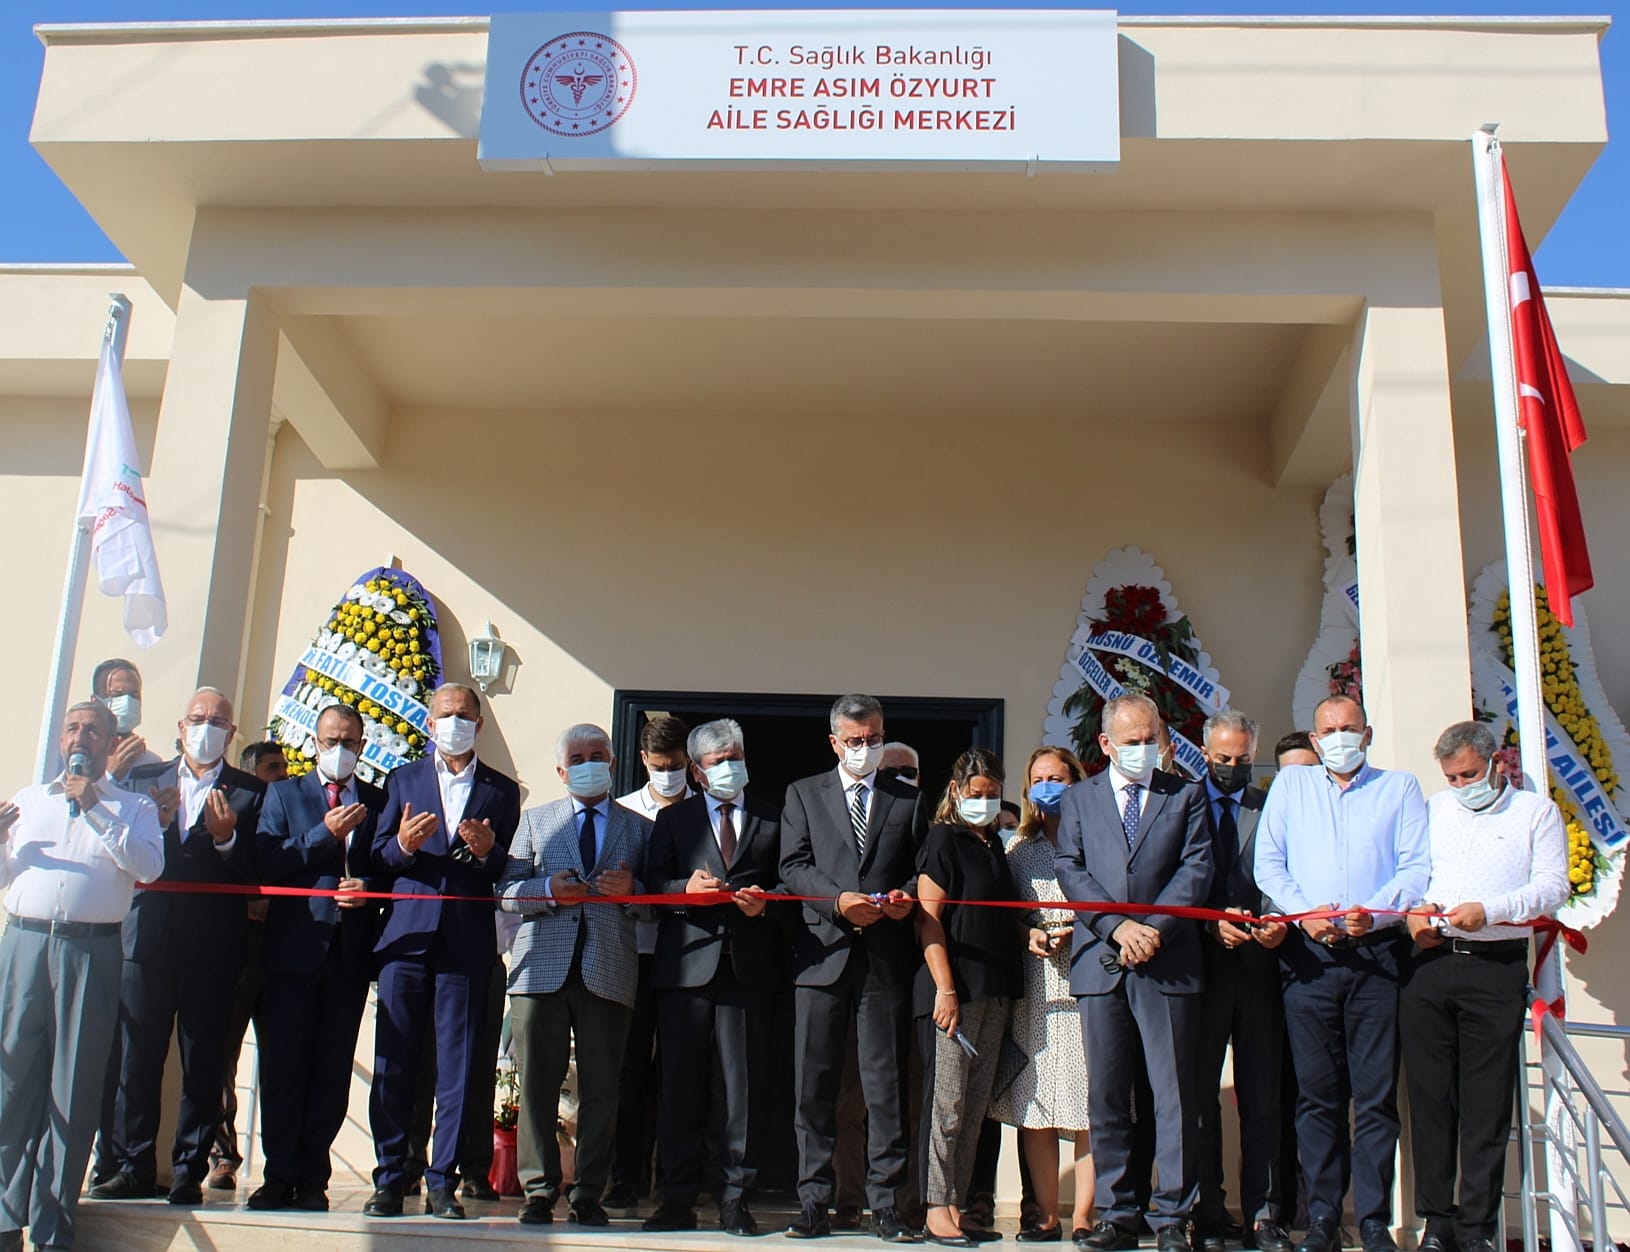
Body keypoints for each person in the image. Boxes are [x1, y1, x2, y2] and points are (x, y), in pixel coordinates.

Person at [1253, 695, 1429, 1252]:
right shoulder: (1291, 787)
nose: (1339, 737)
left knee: (1375, 1098)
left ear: (1368, 734)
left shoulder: (1399, 789)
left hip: (1377, 956)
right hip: (1310, 961)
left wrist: (1372, 913)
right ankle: (1325, 1215)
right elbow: (1269, 863)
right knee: (1317, 1095)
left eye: (1349, 728)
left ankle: (1373, 1217)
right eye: (1328, 729)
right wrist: (1306, 917)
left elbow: (1415, 866)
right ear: (1314, 736)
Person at [91, 687, 265, 1206]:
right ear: (181, 725)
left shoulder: (252, 792)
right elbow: (118, 848)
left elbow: (258, 870)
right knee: (136, 1059)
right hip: (145, 940)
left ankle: (188, 1168)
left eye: (218, 721)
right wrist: (160, 824)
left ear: (232, 734)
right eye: (198, 718)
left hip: (212, 946)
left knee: (203, 1061)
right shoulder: (143, 781)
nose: (206, 727)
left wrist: (228, 838)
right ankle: (132, 1164)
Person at [0, 701, 164, 1252]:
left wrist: (95, 806)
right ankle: (3, 1218)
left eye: (92, 730)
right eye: (73, 728)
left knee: (72, 1090)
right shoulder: (28, 802)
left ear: (110, 742)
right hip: (23, 944)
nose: (80, 737)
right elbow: (7, 877)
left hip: (91, 952)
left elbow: (148, 867)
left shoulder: (133, 807)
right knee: (9, 1086)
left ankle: (51, 1227)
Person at [1054, 692, 1212, 1251]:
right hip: (1102, 962)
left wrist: (1153, 930)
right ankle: (1118, 1214)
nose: (1145, 750)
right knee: (1108, 1096)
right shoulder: (1078, 799)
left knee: (1173, 1095)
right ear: (1105, 744)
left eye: (1153, 740)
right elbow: (1070, 870)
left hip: (1167, 964)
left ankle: (1173, 1216)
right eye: (1133, 742)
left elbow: (1196, 870)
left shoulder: (1185, 796)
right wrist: (1119, 928)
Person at [1403, 721, 1568, 1252]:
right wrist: (1417, 911)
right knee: (1430, 1098)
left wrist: (1491, 910)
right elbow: (1412, 873)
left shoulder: (1534, 813)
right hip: (1430, 962)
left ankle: (1476, 1227)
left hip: (1495, 965)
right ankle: (1436, 1220)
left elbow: (1552, 887)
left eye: (1469, 774)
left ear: (1497, 763)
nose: (1460, 785)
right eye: (1451, 777)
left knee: (1486, 1102)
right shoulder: (1433, 809)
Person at [365, 683, 520, 1220]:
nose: (453, 721)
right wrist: (404, 844)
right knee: (396, 1063)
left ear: (478, 723)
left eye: (463, 714)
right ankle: (389, 1177)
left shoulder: (501, 790)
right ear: (429, 723)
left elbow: (507, 869)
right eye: (444, 714)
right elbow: (380, 856)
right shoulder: (404, 779)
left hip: (466, 944)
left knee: (459, 1068)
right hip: (407, 942)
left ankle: (442, 1183)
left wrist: (488, 852)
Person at [780, 693, 928, 1242]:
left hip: (884, 959)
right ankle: (814, 1200)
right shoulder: (804, 793)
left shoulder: (906, 798)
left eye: (874, 739)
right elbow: (793, 865)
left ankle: (887, 1204)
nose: (866, 749)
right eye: (855, 740)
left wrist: (903, 899)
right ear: (834, 742)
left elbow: (921, 871)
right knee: (813, 1085)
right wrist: (837, 900)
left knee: (884, 1085)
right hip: (822, 955)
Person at [499, 723, 653, 1228]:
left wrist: (633, 889)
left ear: (612, 762)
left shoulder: (639, 827)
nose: (589, 763)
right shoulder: (536, 821)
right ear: (562, 771)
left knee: (602, 1088)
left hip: (607, 968)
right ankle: (539, 1190)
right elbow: (506, 891)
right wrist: (546, 890)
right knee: (537, 1084)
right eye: (578, 757)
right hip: (540, 967)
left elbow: (656, 904)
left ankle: (589, 1191)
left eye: (598, 754)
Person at [643, 718, 784, 1237]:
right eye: (717, 761)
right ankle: (676, 1198)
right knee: (680, 1087)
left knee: (741, 1091)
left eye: (735, 757)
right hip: (686, 968)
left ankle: (734, 1199)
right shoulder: (673, 821)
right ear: (698, 772)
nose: (729, 767)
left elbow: (791, 881)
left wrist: (764, 906)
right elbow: (652, 885)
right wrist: (685, 888)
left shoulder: (773, 816)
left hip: (749, 970)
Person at [250, 704, 386, 1212]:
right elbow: (270, 860)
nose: (340, 750)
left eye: (349, 742)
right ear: (314, 741)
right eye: (332, 740)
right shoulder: (285, 794)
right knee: (284, 1068)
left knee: (331, 1073)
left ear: (363, 747)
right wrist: (321, 835)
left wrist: (367, 888)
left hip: (348, 956)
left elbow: (387, 868)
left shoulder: (377, 799)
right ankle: (277, 1173)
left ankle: (313, 1176)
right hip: (293, 951)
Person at [914, 748, 1024, 1247]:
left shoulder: (995, 844)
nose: (983, 802)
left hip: (996, 993)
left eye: (992, 794)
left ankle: (957, 1202)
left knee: (975, 1107)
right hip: (954, 993)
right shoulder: (943, 840)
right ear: (956, 792)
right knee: (948, 1105)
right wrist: (946, 989)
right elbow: (928, 918)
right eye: (975, 794)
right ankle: (936, 1206)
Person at [1191, 712, 1292, 1252]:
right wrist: (1211, 922)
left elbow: (1286, 871)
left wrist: (1276, 918)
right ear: (1205, 753)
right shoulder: (1182, 805)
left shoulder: (1270, 806)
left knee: (1262, 1098)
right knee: (1200, 1098)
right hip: (1202, 971)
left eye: (1243, 759)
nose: (1233, 768)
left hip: (1259, 970)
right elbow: (1171, 879)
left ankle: (1265, 1214)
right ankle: (1207, 1212)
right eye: (1224, 759)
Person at [990, 745, 1093, 1243]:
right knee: (1039, 1106)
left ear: (1078, 781)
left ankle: (1087, 1217)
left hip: (1090, 983)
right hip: (1036, 988)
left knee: (1093, 1106)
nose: (1048, 786)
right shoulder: (1018, 848)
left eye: (1059, 777)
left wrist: (1084, 928)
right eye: (1039, 778)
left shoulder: (1100, 841)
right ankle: (1046, 1214)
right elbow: (1003, 914)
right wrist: (1026, 930)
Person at [607, 714, 693, 1210]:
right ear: (643, 761)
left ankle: (679, 1177)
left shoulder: (706, 811)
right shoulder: (623, 814)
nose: (668, 774)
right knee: (630, 1071)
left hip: (687, 959)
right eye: (660, 766)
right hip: (633, 955)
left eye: (677, 765)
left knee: (681, 1073)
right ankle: (626, 1176)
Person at [206, 740, 287, 1191]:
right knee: (223, 1059)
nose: (281, 775)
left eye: (285, 767)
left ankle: (282, 1163)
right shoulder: (231, 817)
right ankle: (221, 1155)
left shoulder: (293, 814)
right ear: (251, 773)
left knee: (281, 1060)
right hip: (237, 950)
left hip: (279, 951)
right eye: (273, 768)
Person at [1269, 729, 1318, 1230]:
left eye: (1308, 771)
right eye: (1289, 775)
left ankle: (1318, 1212)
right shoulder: (1269, 815)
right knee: (1272, 1100)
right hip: (1269, 974)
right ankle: (1276, 1210)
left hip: (1324, 971)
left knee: (1322, 1097)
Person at [92, 658, 162, 786]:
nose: (127, 702)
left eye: (134, 696)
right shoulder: (81, 753)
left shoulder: (151, 763)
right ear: (95, 701)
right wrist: (111, 776)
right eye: (117, 695)